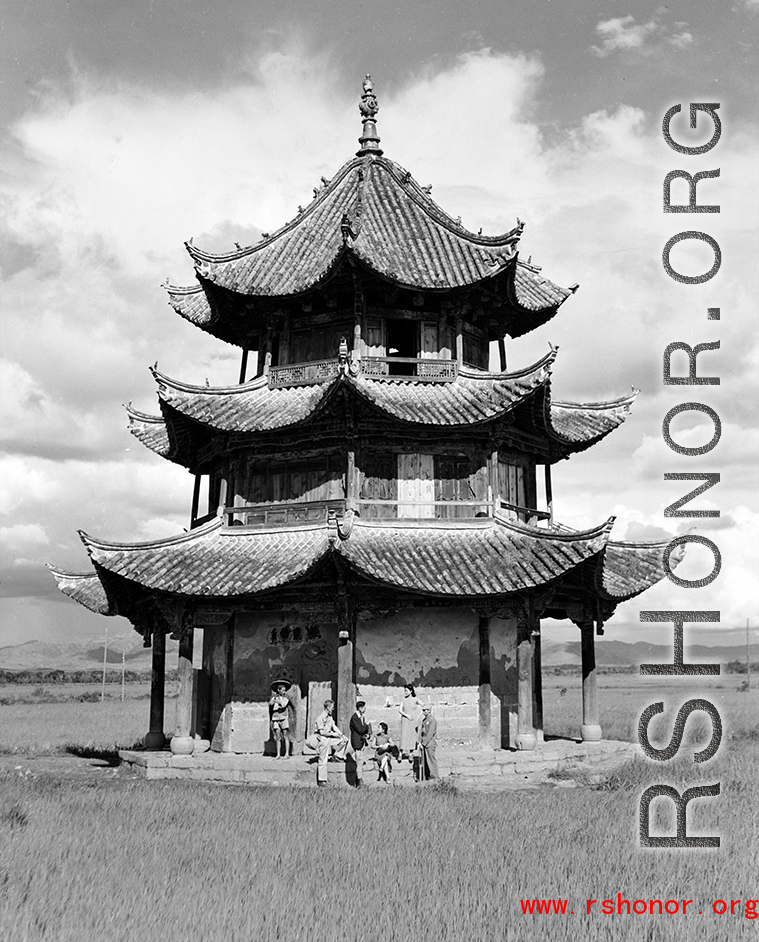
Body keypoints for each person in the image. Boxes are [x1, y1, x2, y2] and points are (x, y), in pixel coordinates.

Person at [305, 699, 348, 786]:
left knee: (345, 740)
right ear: (328, 707)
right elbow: (322, 732)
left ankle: (337, 756)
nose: (333, 709)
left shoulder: (329, 717)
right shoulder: (320, 718)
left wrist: (340, 734)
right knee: (323, 760)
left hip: (329, 738)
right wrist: (334, 734)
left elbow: (334, 726)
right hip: (323, 740)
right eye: (332, 707)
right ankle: (322, 780)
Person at [349, 700, 372, 787]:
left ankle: (357, 779)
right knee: (359, 761)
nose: (365, 709)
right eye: (364, 707)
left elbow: (364, 730)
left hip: (361, 741)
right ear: (360, 708)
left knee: (360, 761)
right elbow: (360, 729)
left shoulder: (361, 717)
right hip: (357, 742)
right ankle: (359, 781)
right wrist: (366, 724)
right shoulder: (355, 718)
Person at [268, 681, 292, 759]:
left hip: (284, 718)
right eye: (282, 690)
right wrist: (272, 702)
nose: (283, 691)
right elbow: (271, 705)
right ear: (279, 690)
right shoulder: (273, 697)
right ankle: (278, 754)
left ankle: (287, 754)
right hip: (275, 718)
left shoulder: (286, 697)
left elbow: (283, 704)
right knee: (277, 736)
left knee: (286, 736)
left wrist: (278, 701)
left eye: (284, 690)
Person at [398, 683, 420, 761]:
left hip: (413, 721)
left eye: (406, 691)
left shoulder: (415, 699)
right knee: (404, 735)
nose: (405, 692)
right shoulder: (403, 699)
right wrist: (407, 716)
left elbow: (424, 705)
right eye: (404, 691)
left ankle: (411, 753)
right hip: (405, 720)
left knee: (412, 736)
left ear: (411, 691)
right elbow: (400, 710)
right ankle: (400, 753)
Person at [418, 703, 439, 781]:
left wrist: (424, 743)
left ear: (429, 710)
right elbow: (421, 732)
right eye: (423, 710)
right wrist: (420, 742)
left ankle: (434, 776)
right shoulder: (424, 720)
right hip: (424, 743)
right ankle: (428, 777)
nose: (423, 712)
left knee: (431, 760)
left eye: (425, 710)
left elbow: (430, 733)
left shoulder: (432, 720)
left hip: (429, 743)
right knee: (426, 761)